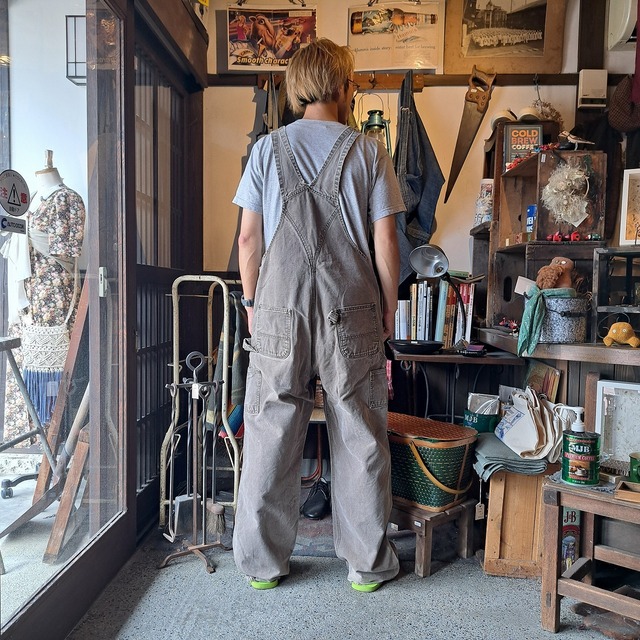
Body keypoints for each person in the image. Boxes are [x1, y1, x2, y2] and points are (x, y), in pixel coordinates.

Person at [231, 38, 404, 592]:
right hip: (351, 308)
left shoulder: (266, 150)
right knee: (359, 428)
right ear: (344, 86)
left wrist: (253, 304)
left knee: (270, 428)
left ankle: (263, 564)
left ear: (297, 87)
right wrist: (388, 307)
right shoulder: (369, 152)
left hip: (278, 308)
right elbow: (386, 243)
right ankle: (366, 565)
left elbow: (248, 239)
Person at [1, 152, 85, 444]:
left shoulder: (67, 199)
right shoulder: (33, 199)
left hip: (53, 294)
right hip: (30, 297)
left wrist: (30, 233)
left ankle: (53, 434)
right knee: (26, 362)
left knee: (52, 366)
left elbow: (66, 250)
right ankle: (29, 436)